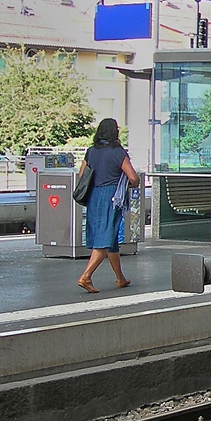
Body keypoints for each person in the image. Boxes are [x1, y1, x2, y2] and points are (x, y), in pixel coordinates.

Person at [77, 118, 140, 293]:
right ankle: (86, 276)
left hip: (94, 196)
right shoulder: (118, 152)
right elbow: (133, 178)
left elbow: (81, 174)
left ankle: (120, 278)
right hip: (111, 197)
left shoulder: (91, 152)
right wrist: (130, 184)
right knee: (105, 238)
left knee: (110, 239)